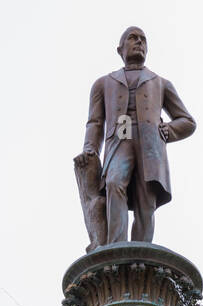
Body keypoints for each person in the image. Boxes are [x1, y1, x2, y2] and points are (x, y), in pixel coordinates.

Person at [82, 26, 196, 244]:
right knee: (114, 183)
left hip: (150, 145)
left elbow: (188, 121)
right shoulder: (103, 83)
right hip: (119, 141)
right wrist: (90, 148)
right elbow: (95, 122)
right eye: (132, 38)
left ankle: (141, 252)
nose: (139, 42)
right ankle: (116, 247)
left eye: (143, 39)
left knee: (146, 201)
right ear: (120, 49)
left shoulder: (161, 83)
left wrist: (168, 130)